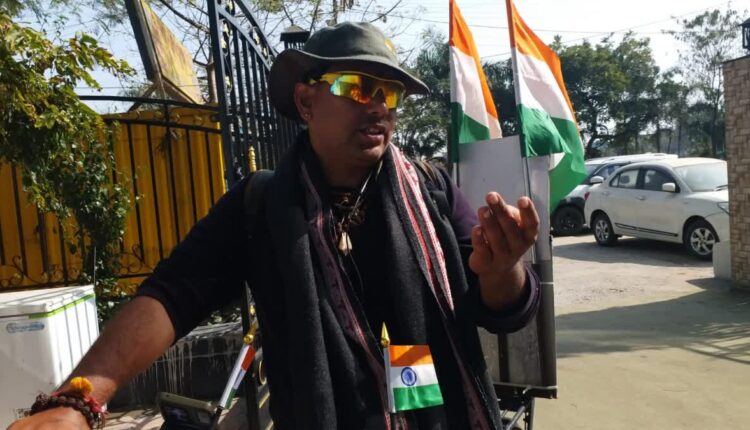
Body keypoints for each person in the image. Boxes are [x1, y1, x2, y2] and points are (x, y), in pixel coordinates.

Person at [9, 21, 541, 430]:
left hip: (435, 412)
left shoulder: (431, 189)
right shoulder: (260, 205)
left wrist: (504, 271)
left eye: (390, 92)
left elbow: (502, 309)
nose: (379, 105)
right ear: (306, 101)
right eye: (359, 86)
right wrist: (81, 399)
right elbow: (172, 295)